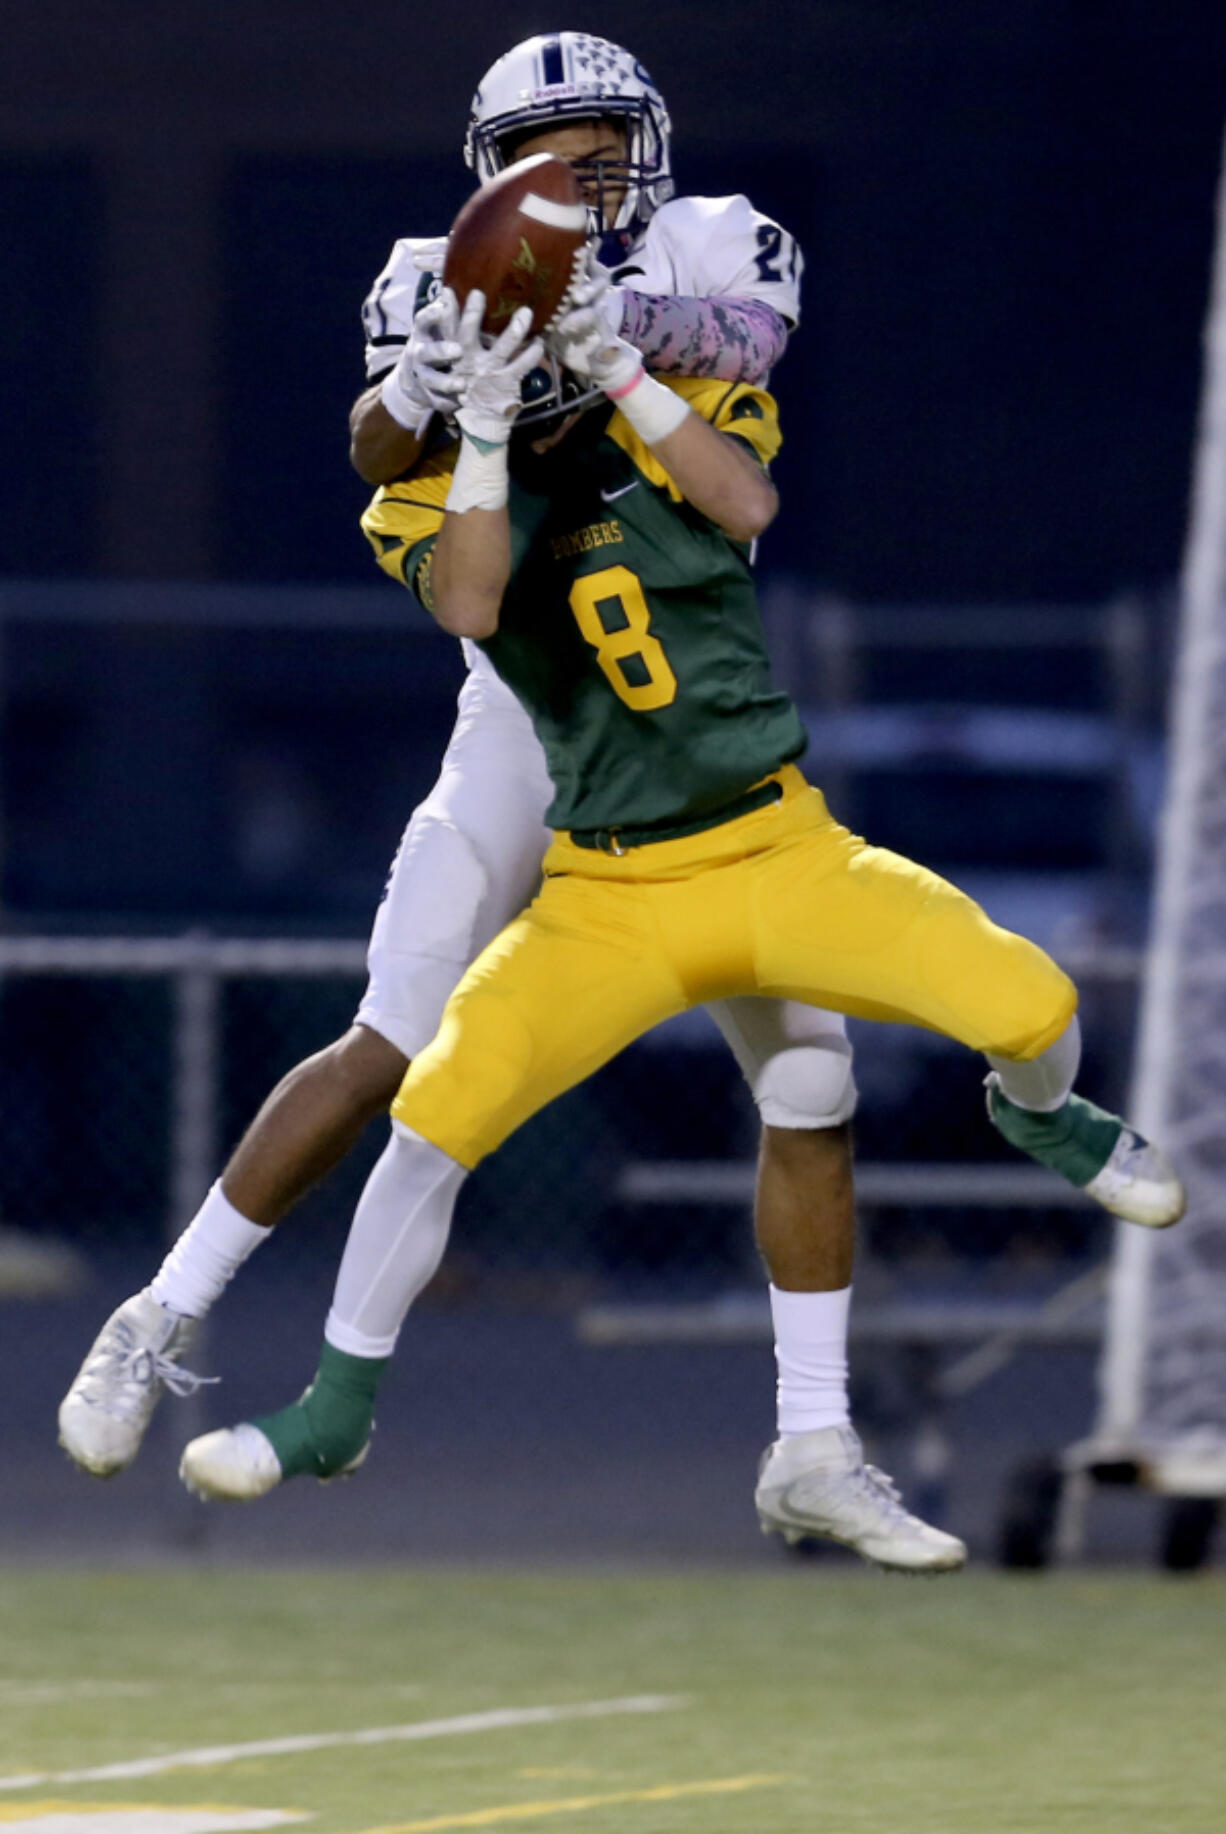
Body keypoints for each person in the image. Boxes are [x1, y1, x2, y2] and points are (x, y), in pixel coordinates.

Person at [169, 87, 1186, 1542]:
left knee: (1022, 1006)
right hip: (603, 881)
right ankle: (332, 1407)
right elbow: (459, 586)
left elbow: (745, 494)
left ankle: (1036, 1130)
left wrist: (616, 364)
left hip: (768, 844)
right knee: (436, 1110)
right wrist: (471, 428)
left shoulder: (674, 409)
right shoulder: (454, 498)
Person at [58, 34, 968, 1573]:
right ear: (488, 172)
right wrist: (426, 376)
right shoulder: (433, 270)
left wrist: (602, 320)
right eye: (549, 151)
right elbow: (372, 449)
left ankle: (813, 1440)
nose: (585, 175)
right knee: (384, 1047)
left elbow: (742, 343)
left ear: (652, 144)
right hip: (528, 721)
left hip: (692, 741)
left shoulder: (707, 239)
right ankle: (160, 1312)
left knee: (811, 1087)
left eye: (603, 142)